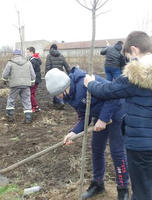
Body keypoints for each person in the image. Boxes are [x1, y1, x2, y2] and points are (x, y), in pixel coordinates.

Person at [84, 31, 152, 200]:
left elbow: (108, 91)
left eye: (128, 56)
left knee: (142, 190)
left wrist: (90, 84)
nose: (129, 60)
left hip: (140, 144)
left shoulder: (136, 74)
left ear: (134, 50)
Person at [45, 67, 129, 200]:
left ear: (65, 87)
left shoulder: (86, 83)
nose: (58, 97)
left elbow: (114, 96)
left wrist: (103, 119)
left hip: (117, 112)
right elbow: (84, 116)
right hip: (100, 117)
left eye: (59, 94)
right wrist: (73, 132)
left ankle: (123, 189)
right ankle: (98, 183)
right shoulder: (71, 96)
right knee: (96, 148)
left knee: (117, 151)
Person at [2, 49, 36, 123]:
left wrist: (4, 79)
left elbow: (5, 73)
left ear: (14, 55)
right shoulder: (28, 62)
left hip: (14, 84)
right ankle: (28, 117)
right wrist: (32, 81)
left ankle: (10, 116)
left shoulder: (10, 62)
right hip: (26, 85)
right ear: (21, 54)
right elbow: (33, 74)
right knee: (27, 100)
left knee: (11, 99)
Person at [45, 44, 71, 109]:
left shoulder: (49, 56)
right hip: (60, 74)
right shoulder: (61, 56)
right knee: (61, 88)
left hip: (52, 75)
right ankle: (56, 102)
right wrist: (70, 74)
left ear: (51, 49)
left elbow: (47, 67)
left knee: (55, 89)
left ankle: (60, 102)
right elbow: (66, 66)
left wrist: (46, 76)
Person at [26, 47, 42, 113]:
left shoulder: (33, 61)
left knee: (30, 94)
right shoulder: (34, 59)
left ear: (32, 52)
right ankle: (33, 107)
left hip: (34, 79)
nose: (26, 53)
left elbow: (30, 71)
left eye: (27, 52)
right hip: (36, 78)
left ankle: (36, 106)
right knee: (32, 93)